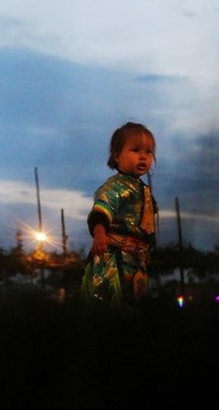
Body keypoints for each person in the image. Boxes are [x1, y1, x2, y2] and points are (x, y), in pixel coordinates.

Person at [80, 122, 158, 315]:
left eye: (148, 152)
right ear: (117, 156)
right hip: (114, 257)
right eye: (135, 150)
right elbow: (101, 210)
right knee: (111, 308)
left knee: (133, 306)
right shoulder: (117, 186)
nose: (143, 156)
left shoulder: (142, 189)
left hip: (136, 260)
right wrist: (100, 234)